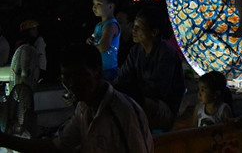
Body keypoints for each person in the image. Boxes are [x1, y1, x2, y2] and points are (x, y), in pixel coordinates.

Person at [0, 43, 154, 153]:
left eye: (80, 75)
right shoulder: (84, 109)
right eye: (66, 77)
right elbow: (58, 145)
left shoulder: (123, 113)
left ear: (98, 72)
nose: (72, 84)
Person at [114, 5, 185, 132]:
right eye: (134, 25)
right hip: (141, 100)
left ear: (154, 32)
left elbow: (156, 90)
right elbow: (122, 78)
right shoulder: (136, 51)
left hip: (163, 109)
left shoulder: (166, 53)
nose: (133, 30)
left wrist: (130, 90)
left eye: (139, 27)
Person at [86, 0, 121, 81]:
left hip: (108, 70)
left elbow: (103, 47)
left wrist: (91, 48)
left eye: (99, 4)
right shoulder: (99, 25)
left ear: (110, 6)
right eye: (94, 4)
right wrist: (90, 39)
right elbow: (95, 37)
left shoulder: (111, 25)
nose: (94, 7)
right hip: (99, 69)